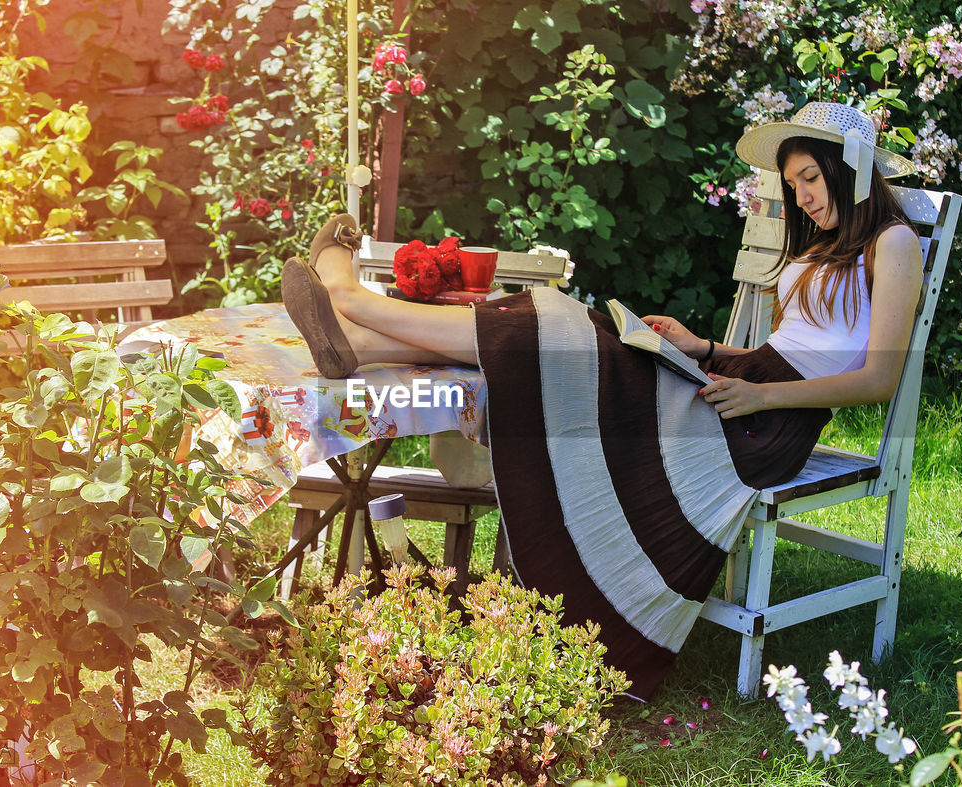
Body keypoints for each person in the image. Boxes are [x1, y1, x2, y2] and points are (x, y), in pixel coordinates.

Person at [280, 101, 922, 700]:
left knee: (564, 327)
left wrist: (760, 395)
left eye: (812, 178)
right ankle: (359, 341)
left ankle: (358, 307)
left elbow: (876, 381)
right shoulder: (821, 245)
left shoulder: (891, 244)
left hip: (769, 425)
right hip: (744, 391)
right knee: (585, 333)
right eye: (795, 184)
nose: (804, 197)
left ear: (850, 168)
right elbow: (782, 347)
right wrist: (700, 348)